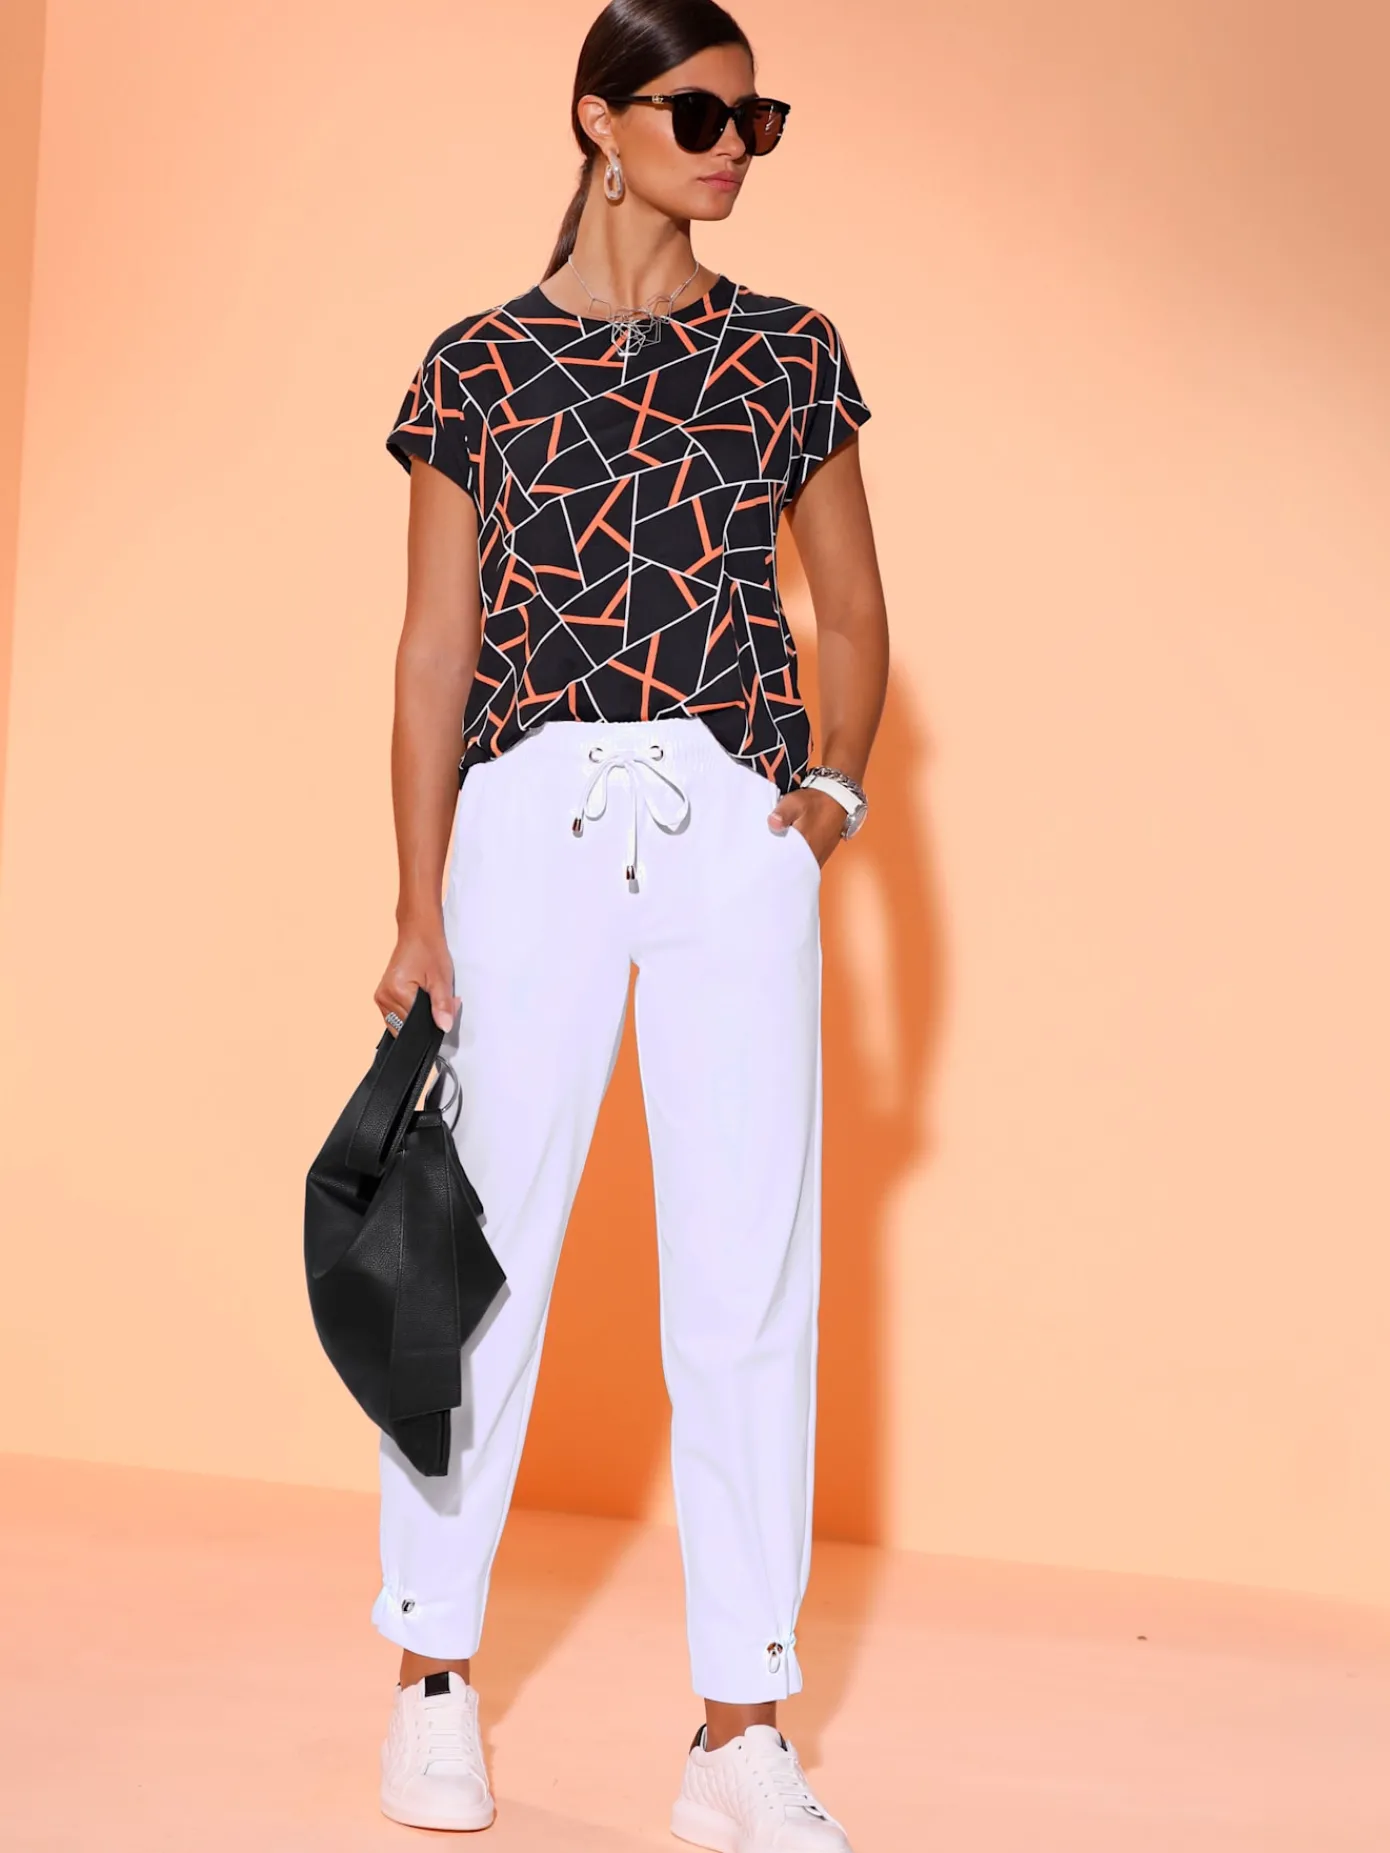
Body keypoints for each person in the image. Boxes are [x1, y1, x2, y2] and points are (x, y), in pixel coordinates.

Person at [371, 0, 889, 1843]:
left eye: (757, 118)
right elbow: (433, 653)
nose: (734, 145)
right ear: (600, 120)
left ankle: (740, 1730)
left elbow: (852, 614)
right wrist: (419, 905)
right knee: (469, 1266)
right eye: (699, 114)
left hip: (729, 826)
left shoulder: (788, 353)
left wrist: (825, 802)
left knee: (747, 1278)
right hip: (522, 830)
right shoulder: (477, 367)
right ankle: (431, 1679)